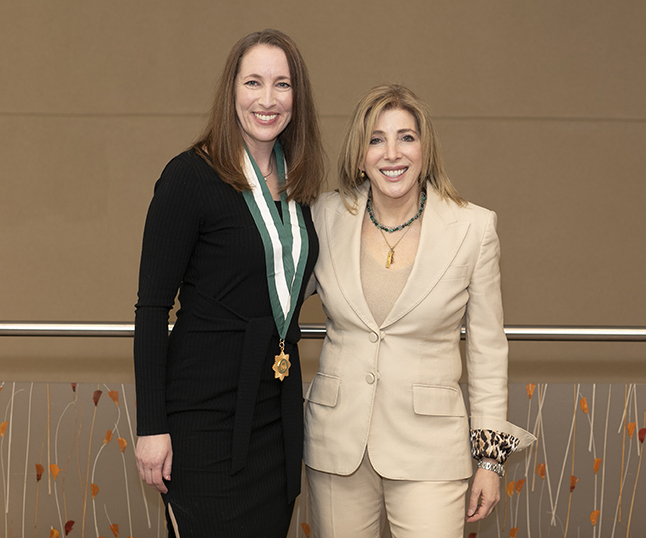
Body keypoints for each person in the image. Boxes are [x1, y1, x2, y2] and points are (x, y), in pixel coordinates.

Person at [303, 84, 535, 538]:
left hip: (430, 451)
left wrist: (490, 461)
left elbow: (488, 351)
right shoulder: (324, 216)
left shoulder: (473, 228)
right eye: (376, 139)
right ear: (359, 155)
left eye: (406, 137)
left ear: (425, 151)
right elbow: (276, 297)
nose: (392, 153)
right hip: (337, 445)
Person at [133, 29, 324, 537]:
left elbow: (290, 277)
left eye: (282, 84)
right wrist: (151, 426)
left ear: (296, 96)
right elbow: (151, 309)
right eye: (253, 82)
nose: (267, 99)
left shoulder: (300, 183)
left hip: (275, 414)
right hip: (203, 415)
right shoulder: (189, 176)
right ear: (231, 90)